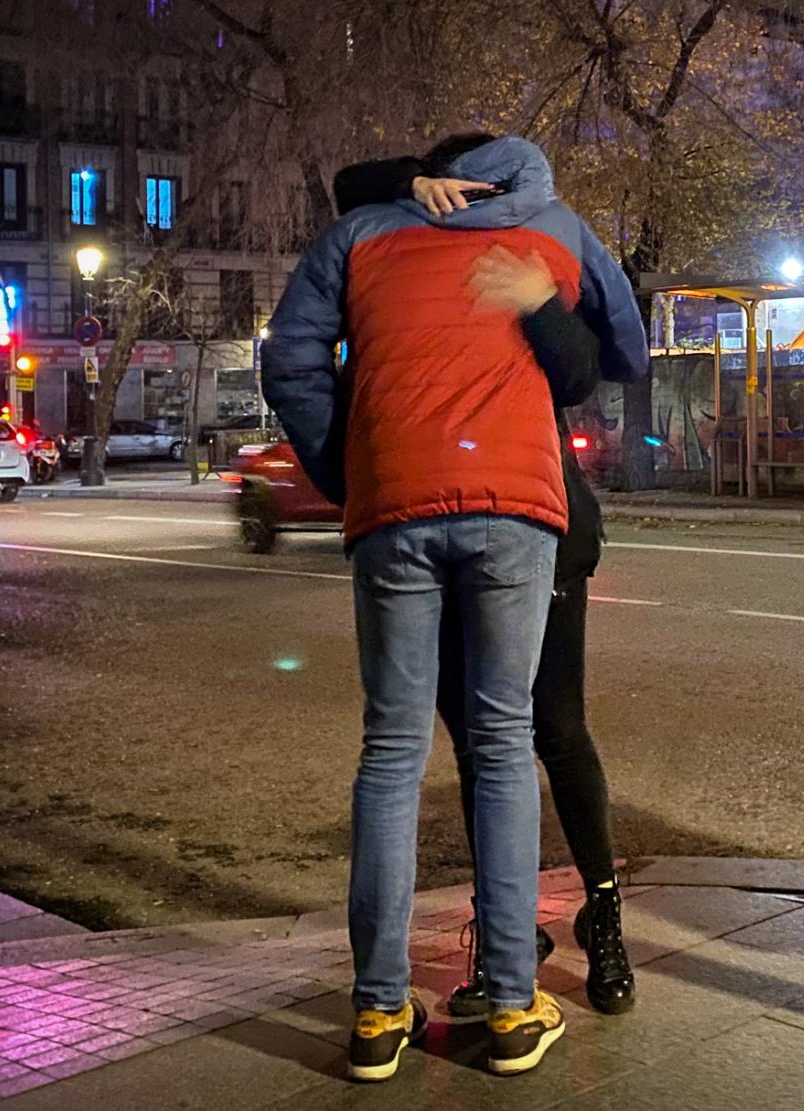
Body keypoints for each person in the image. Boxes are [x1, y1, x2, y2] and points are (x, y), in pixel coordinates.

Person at [262, 133, 632, 1083]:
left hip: (395, 508)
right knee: (505, 739)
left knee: (391, 748)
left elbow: (291, 358)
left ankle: (380, 1010)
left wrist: (352, 468)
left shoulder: (360, 235)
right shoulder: (557, 229)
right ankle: (512, 1004)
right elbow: (621, 347)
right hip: (514, 506)